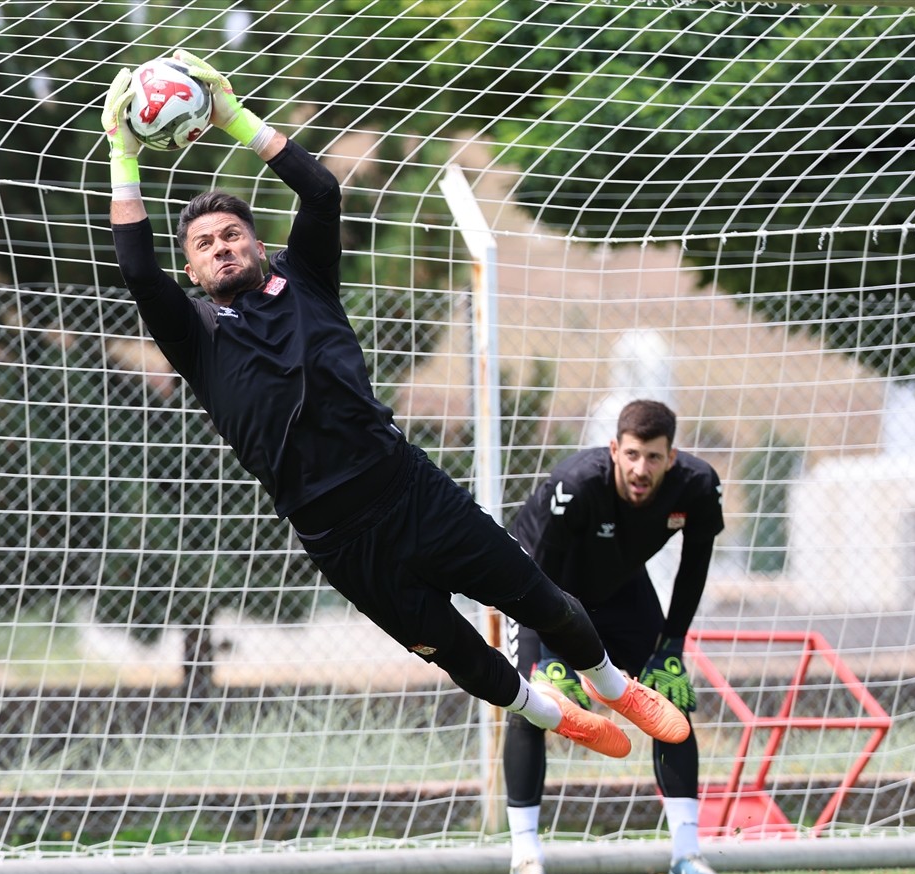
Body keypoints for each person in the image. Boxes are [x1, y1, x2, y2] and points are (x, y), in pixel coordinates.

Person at [100, 54, 690, 774]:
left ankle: (615, 688)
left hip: (408, 489)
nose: (222, 248)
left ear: (256, 243)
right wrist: (122, 150)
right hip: (338, 536)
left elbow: (320, 192)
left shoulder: (306, 277)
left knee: (539, 598)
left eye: (232, 235)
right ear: (191, 270)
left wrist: (232, 119)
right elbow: (134, 267)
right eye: (205, 245)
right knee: (464, 656)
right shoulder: (193, 334)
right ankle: (552, 712)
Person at [503, 399, 728, 874]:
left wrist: (672, 644)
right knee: (530, 705)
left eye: (652, 457)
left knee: (671, 701)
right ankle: (525, 857)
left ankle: (687, 855)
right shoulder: (576, 485)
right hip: (535, 587)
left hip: (619, 587)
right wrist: (542, 659)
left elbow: (695, 568)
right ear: (614, 450)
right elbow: (535, 578)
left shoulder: (698, 486)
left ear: (671, 457)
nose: (640, 469)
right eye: (631, 455)